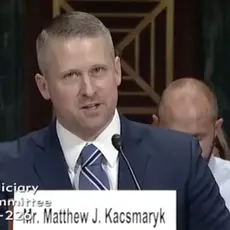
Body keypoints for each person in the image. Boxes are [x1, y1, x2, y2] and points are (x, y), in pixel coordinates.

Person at [0, 12, 230, 230]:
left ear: (118, 71)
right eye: (71, 76)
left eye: (98, 70)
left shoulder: (179, 158)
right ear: (44, 86)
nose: (88, 90)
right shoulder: (8, 169)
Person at [152, 77, 230, 210]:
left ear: (216, 129)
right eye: (175, 138)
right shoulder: (131, 179)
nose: (186, 150)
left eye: (197, 139)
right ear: (155, 126)